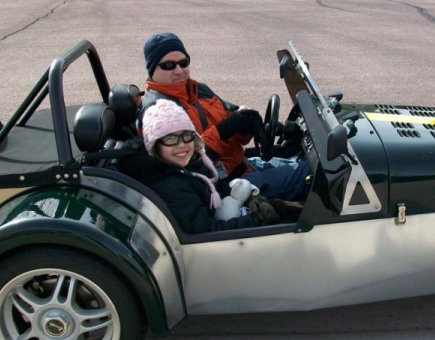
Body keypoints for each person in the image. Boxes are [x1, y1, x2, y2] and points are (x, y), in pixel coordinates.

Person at [139, 32, 309, 201]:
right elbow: (184, 161)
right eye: (168, 65)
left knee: (306, 161)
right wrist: (223, 131)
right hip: (220, 187)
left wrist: (250, 124)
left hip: (243, 166)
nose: (179, 71)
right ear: (152, 68)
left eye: (184, 63)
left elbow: (233, 117)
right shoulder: (159, 111)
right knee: (311, 175)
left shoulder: (198, 90)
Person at [114, 99, 280, 234]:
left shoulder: (184, 165)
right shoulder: (169, 185)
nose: (182, 145)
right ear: (154, 145)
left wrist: (249, 196)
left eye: (186, 135)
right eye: (171, 139)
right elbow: (204, 232)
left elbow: (211, 185)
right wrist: (255, 222)